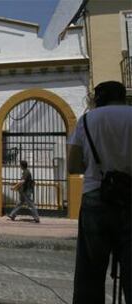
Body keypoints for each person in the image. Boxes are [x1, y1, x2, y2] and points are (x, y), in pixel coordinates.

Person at [68, 81, 131, 304]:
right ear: (122, 96)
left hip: (96, 196)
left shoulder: (86, 121)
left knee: (90, 272)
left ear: (97, 98)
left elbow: (73, 166)